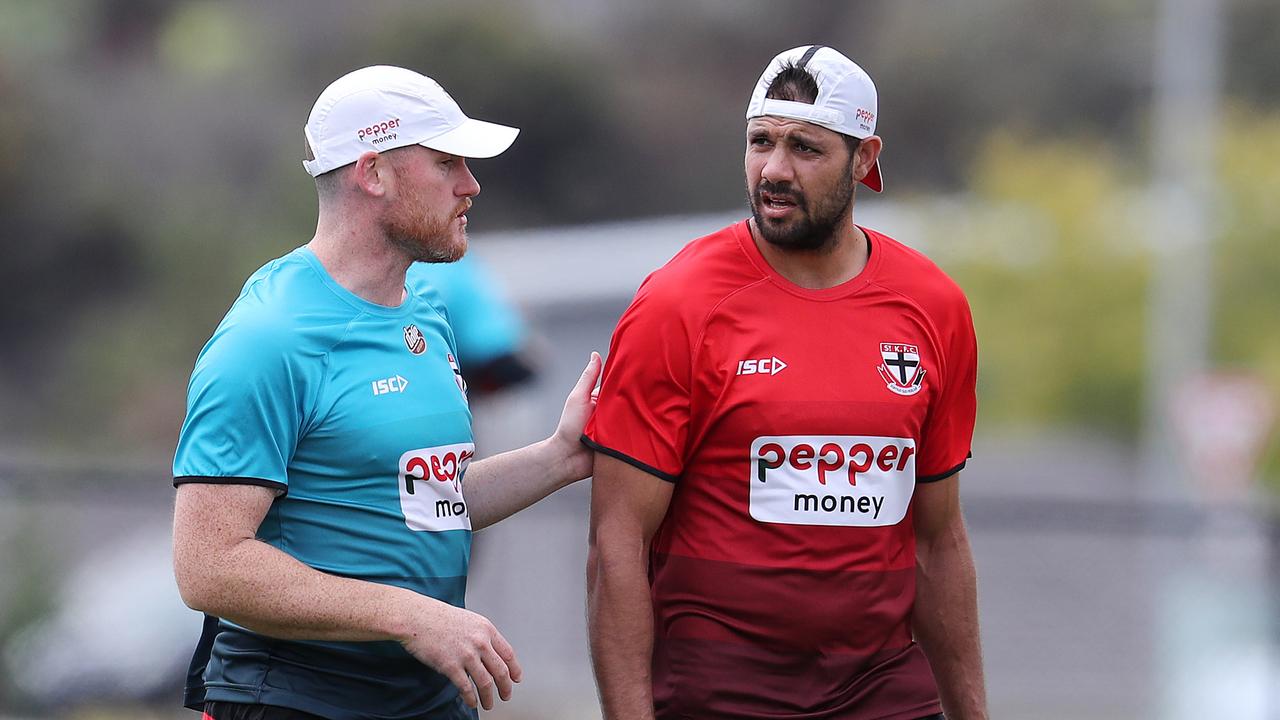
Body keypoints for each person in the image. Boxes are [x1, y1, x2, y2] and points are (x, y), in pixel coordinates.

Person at [171, 65, 602, 720]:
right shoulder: (268, 337)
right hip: (293, 701)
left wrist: (559, 458)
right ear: (373, 173)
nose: (471, 185)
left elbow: (422, 503)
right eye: (447, 162)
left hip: (425, 700)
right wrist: (407, 615)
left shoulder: (424, 310)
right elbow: (207, 567)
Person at [584, 45, 987, 719]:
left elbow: (939, 541)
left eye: (805, 147)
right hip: (719, 694)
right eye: (760, 142)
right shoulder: (678, 303)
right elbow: (615, 543)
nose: (773, 169)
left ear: (864, 158)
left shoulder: (933, 305)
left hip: (883, 691)